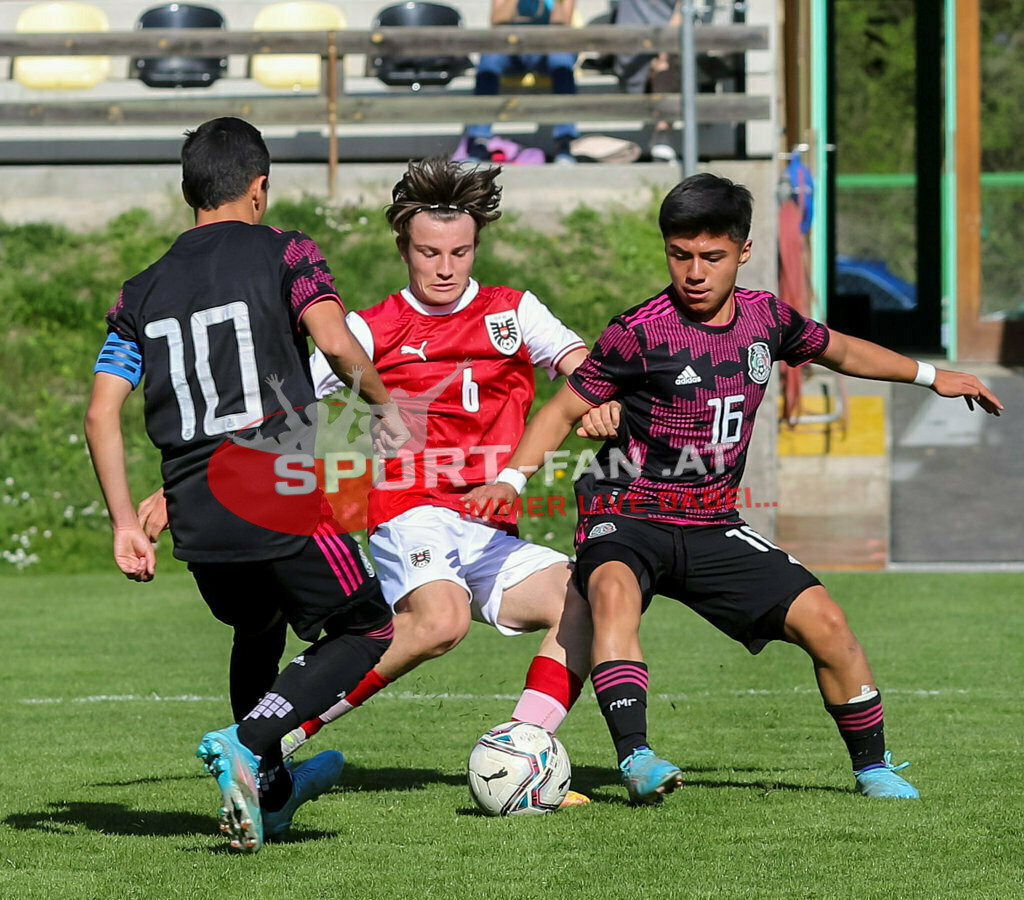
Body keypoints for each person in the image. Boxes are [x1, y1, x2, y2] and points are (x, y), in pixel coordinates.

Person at [465, 173, 1003, 805]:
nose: (694, 271)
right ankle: (636, 758)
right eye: (680, 255)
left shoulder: (766, 318)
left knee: (827, 622)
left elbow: (842, 352)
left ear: (742, 252)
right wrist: (510, 479)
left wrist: (933, 375)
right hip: (627, 511)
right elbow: (559, 411)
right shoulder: (639, 332)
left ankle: (874, 767)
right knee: (610, 592)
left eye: (712, 257)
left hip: (712, 521)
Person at [139, 156, 605, 807]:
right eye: (429, 252)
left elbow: (584, 366)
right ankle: (263, 736)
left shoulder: (513, 313)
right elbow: (276, 410)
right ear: (403, 245)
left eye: (460, 252)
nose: (445, 267)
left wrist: (602, 399)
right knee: (439, 623)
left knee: (588, 595)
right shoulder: (368, 329)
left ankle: (523, 751)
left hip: (488, 526)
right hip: (409, 510)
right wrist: (182, 489)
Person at [84, 117, 405, 852]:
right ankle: (250, 741)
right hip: (275, 493)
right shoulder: (284, 250)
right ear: (259, 189)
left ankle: (267, 793)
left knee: (256, 627)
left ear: (189, 190)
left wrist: (125, 521)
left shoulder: (141, 290)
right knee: (369, 626)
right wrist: (383, 408)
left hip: (197, 516)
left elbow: (101, 412)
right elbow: (332, 338)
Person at [464, 0, 580, 165]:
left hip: (548, 49)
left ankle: (565, 143)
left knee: (561, 60)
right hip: (514, 48)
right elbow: (497, 20)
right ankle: (479, 141)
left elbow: (562, 24)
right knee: (489, 60)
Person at [614, 0, 682, 162]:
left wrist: (664, 51)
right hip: (632, 48)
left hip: (667, 46)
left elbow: (681, 14)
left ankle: (662, 133)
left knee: (667, 65)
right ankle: (662, 137)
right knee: (666, 64)